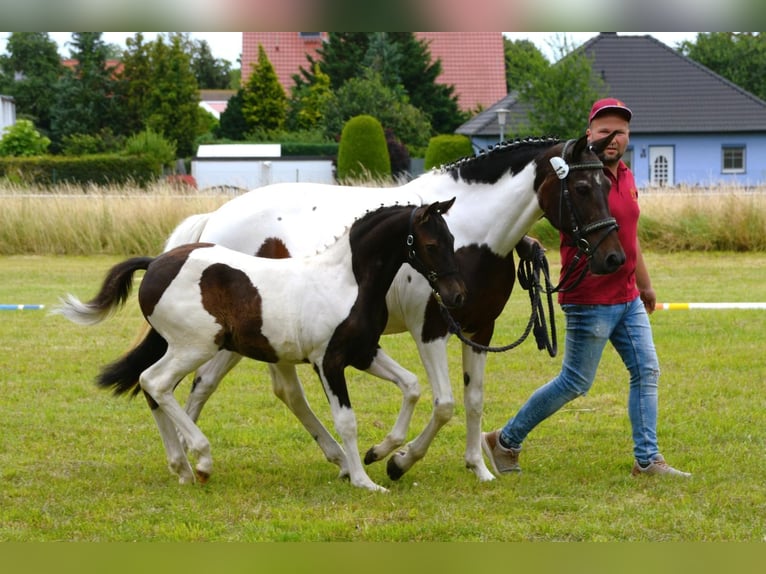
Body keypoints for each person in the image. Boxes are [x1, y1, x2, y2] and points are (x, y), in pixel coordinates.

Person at [482, 98, 691, 478]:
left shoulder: (626, 176)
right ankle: (504, 440)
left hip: (626, 295)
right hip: (590, 297)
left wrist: (645, 285)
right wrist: (523, 242)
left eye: (621, 132)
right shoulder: (574, 176)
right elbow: (518, 208)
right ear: (589, 134)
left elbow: (630, 238)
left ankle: (647, 461)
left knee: (646, 370)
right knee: (575, 382)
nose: (613, 138)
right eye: (604, 131)